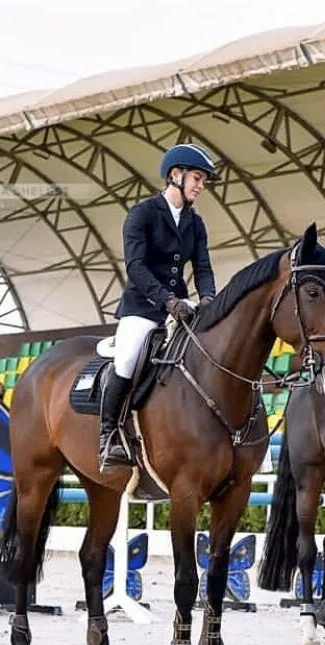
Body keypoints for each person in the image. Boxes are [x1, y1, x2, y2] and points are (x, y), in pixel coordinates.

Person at [99, 143, 218, 471]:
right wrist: (167, 300)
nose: (200, 186)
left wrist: (208, 298)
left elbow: (203, 267)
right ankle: (109, 435)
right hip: (142, 307)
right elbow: (136, 267)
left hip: (180, 306)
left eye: (203, 181)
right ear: (175, 175)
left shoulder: (196, 224)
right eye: (196, 178)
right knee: (126, 358)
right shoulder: (143, 214)